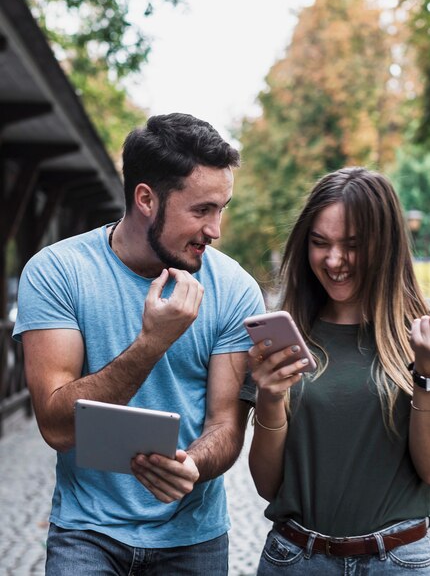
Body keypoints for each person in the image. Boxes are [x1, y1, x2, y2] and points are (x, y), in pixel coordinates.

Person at [13, 113, 265, 574]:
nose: (216, 230)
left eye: (221, 208)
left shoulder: (234, 288)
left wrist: (193, 465)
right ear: (146, 199)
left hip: (194, 539)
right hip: (86, 533)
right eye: (201, 210)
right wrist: (152, 342)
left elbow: (226, 424)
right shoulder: (57, 272)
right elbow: (56, 426)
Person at [245, 167, 430, 574]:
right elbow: (269, 486)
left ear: (386, 245)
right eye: (320, 243)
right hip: (294, 559)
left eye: (352, 245)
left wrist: (429, 370)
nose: (334, 260)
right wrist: (269, 398)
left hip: (397, 562)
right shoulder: (287, 331)